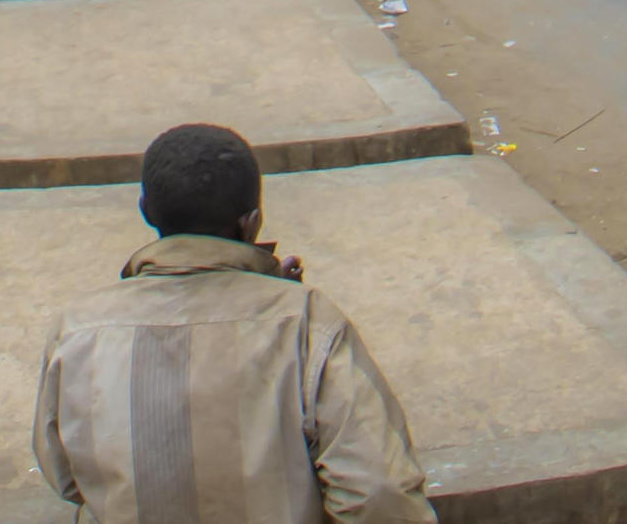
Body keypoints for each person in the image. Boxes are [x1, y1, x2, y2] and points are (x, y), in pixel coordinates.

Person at [33, 122, 432, 524]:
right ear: (252, 222)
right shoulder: (306, 321)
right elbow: (379, 492)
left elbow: (66, 477)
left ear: (145, 210)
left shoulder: (78, 329)